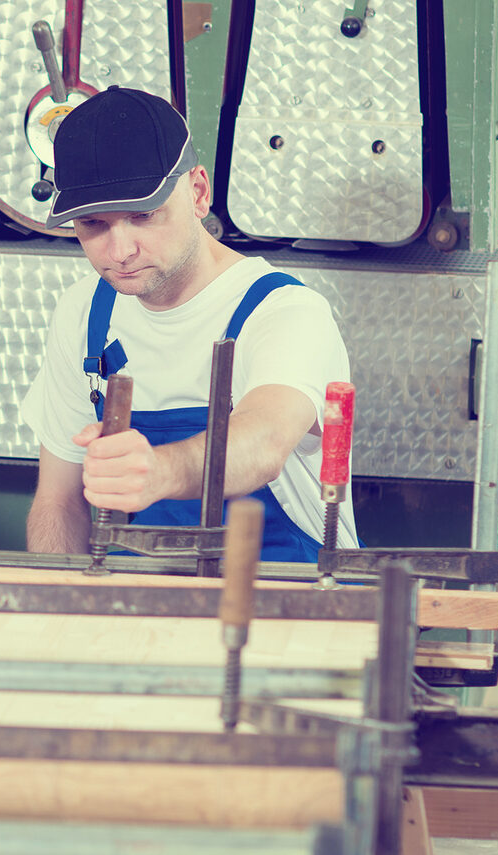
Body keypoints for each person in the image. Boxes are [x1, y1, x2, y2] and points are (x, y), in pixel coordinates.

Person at [21, 86, 356, 560]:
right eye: (93, 225)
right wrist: (55, 612)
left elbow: (264, 442)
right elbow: (59, 501)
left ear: (198, 192)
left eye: (143, 215)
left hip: (285, 590)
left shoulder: (283, 310)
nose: (120, 252)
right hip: (139, 600)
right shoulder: (84, 312)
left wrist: (159, 472)